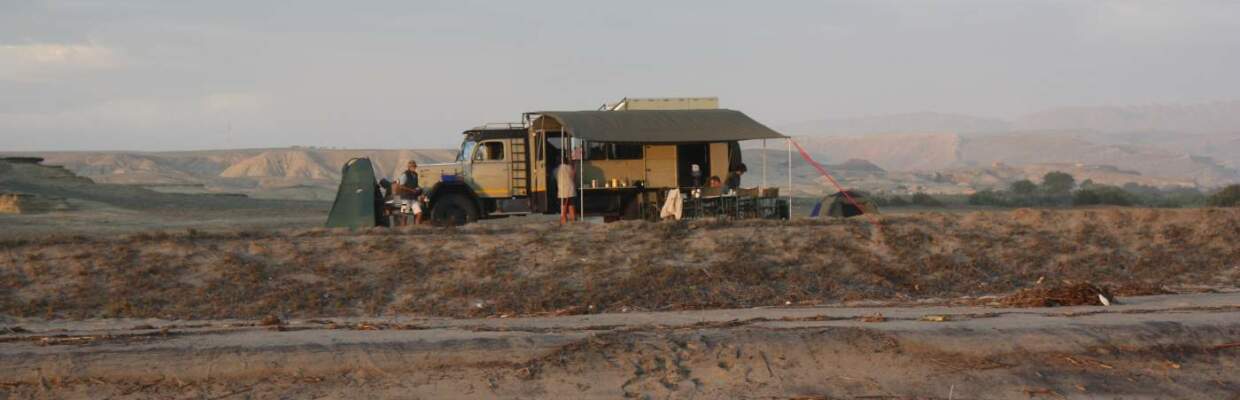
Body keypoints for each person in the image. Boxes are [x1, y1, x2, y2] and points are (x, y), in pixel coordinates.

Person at [393, 160, 424, 225]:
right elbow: (401, 186)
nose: (414, 168)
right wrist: (411, 190)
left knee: (419, 213)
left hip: (413, 198)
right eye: (413, 167)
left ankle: (416, 229)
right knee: (404, 215)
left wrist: (419, 189)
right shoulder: (404, 175)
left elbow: (415, 185)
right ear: (409, 167)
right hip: (405, 198)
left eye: (415, 166)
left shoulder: (415, 175)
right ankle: (403, 230)